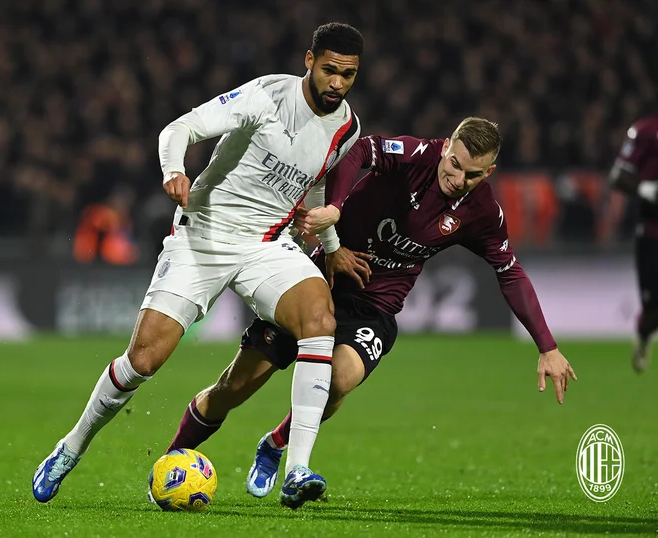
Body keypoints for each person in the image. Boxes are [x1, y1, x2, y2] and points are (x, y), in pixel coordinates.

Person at [33, 22, 368, 508]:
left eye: (349, 74)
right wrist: (175, 170)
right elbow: (179, 128)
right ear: (309, 61)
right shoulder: (265, 97)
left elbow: (315, 187)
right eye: (331, 70)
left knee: (319, 319)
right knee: (143, 360)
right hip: (203, 236)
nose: (338, 83)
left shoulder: (347, 127)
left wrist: (330, 241)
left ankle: (297, 469)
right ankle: (69, 448)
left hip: (266, 244)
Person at [162, 117, 578, 503]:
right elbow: (358, 150)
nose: (458, 179)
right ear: (447, 146)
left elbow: (509, 271)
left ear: (488, 173)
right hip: (315, 283)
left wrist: (547, 345)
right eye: (455, 164)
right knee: (234, 388)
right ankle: (171, 462)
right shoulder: (414, 155)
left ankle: (276, 446)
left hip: (375, 306)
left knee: (339, 378)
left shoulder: (481, 211)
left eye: (473, 174)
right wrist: (335, 224)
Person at [609, 114, 658, 373]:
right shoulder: (646, 130)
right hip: (653, 232)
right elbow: (618, 176)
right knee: (653, 310)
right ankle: (643, 334)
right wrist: (646, 190)